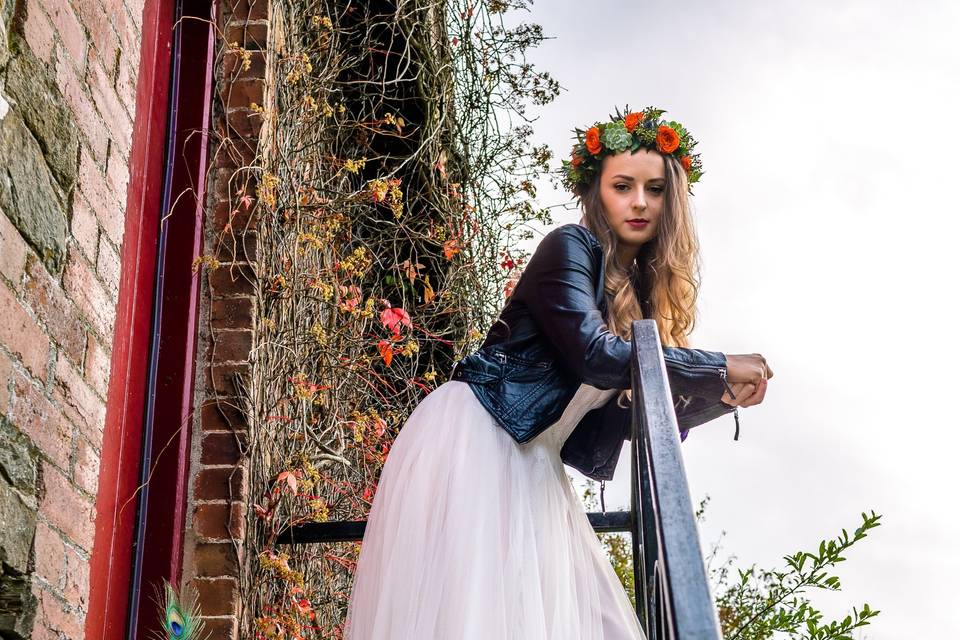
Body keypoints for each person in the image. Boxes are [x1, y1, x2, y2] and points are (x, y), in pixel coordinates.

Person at [343, 107, 773, 640]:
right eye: (623, 185)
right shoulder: (569, 246)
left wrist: (720, 395)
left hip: (534, 462)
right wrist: (716, 365)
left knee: (599, 625)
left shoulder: (635, 303)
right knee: (478, 619)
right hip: (479, 436)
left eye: (655, 189)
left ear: (672, 203)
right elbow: (595, 355)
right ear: (598, 193)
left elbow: (631, 420)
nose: (639, 202)